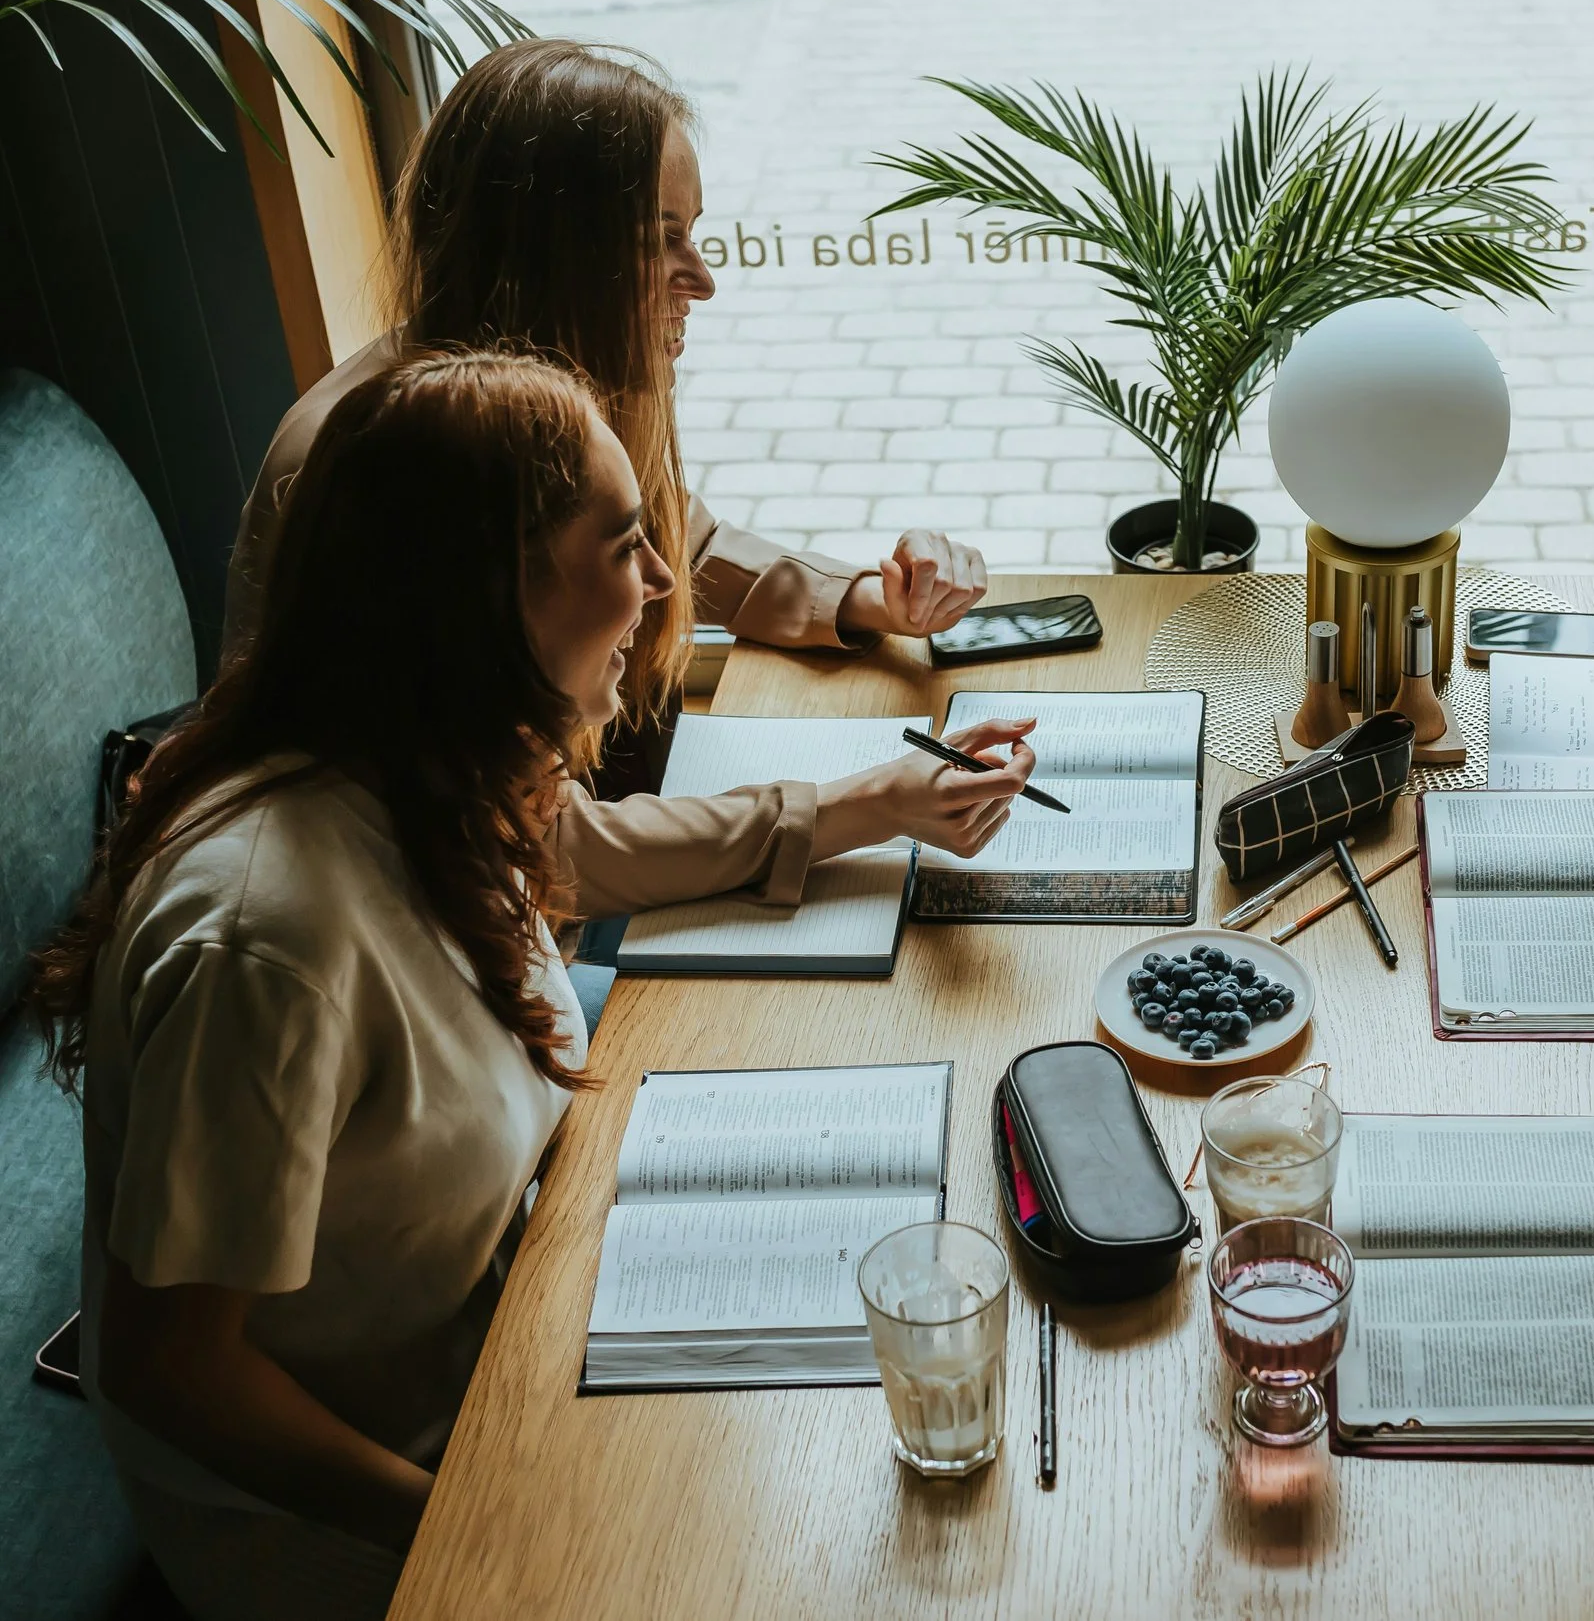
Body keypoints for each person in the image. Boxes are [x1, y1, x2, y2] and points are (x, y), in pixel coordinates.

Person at [29, 349, 1032, 1621]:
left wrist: (865, 805)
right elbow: (175, 1370)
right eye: (624, 546)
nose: (665, 581)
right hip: (371, 1492)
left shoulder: (419, 756)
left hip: (525, 1301)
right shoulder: (268, 950)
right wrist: (469, 1527)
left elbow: (574, 851)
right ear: (492, 596)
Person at [224, 38, 997, 934]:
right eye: (662, 240)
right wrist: (860, 808)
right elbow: (535, 850)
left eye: (695, 232)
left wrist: (871, 601)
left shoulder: (546, 381)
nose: (702, 280)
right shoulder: (408, 473)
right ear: (556, 254)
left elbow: (684, 544)